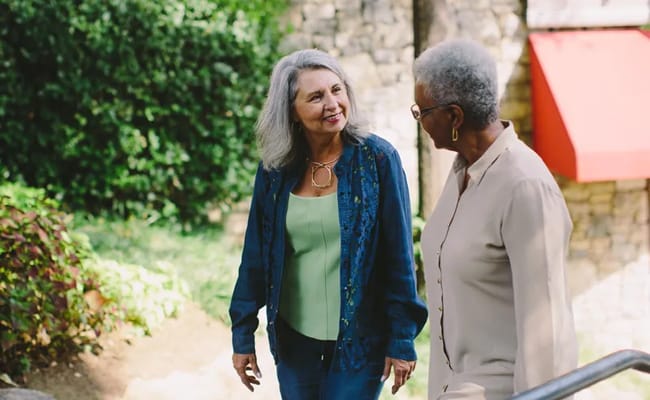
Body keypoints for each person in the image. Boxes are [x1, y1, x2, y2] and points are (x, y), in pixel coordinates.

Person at [229, 48, 428, 400]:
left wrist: (401, 338)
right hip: (294, 342)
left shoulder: (378, 160)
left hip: (361, 342)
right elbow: (256, 257)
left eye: (337, 90)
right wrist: (242, 333)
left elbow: (398, 257)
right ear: (292, 111)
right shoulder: (274, 170)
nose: (333, 103)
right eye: (316, 97)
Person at [412, 39, 578, 399]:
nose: (420, 120)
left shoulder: (525, 187)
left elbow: (547, 331)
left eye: (421, 111)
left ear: (454, 117)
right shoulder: (463, 172)